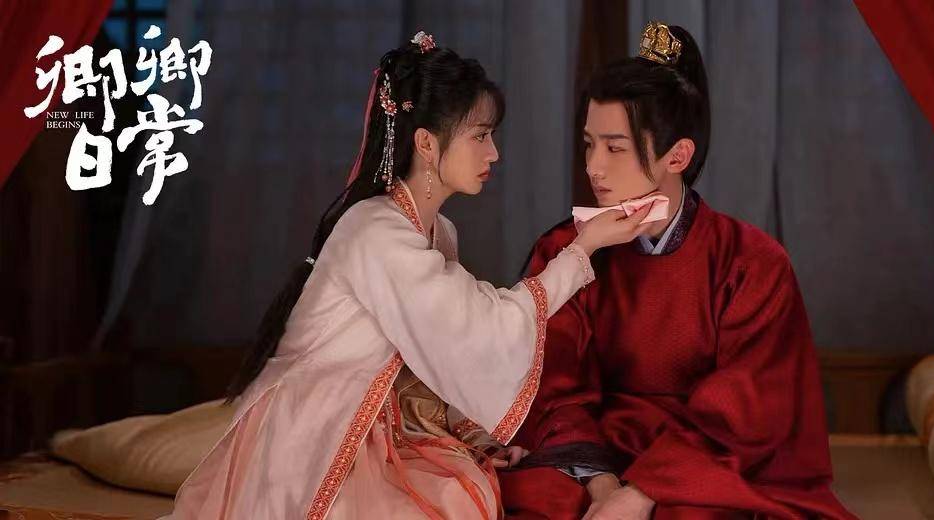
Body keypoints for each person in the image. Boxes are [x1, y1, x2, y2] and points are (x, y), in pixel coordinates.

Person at [164, 31, 652, 520]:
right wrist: (582, 248)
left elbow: (443, 351)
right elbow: (481, 326)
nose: (494, 154)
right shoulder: (374, 230)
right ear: (426, 143)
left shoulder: (436, 230)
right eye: (480, 136)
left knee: (469, 489)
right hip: (318, 431)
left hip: (377, 419)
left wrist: (472, 435)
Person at [499, 22, 855, 520]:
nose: (594, 167)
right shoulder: (567, 250)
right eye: (588, 144)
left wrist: (640, 493)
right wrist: (603, 486)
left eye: (615, 147)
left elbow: (746, 407)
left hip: (704, 457)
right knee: (537, 501)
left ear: (678, 155)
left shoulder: (752, 262)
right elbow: (556, 385)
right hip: (596, 447)